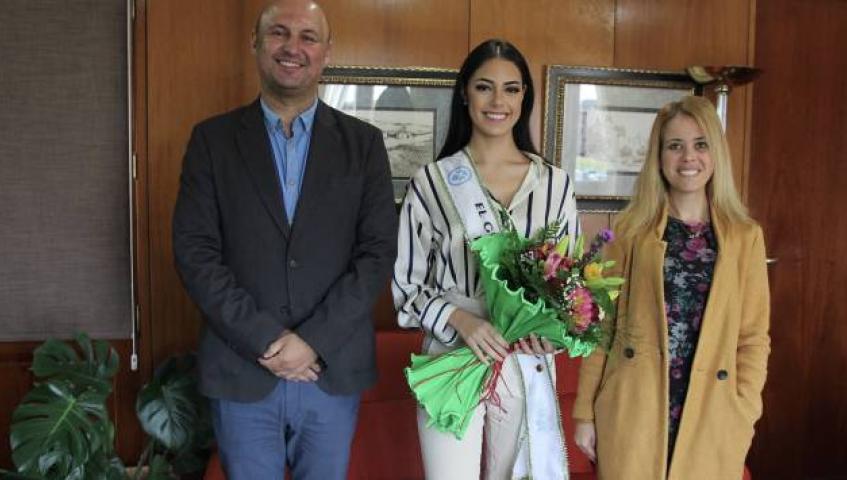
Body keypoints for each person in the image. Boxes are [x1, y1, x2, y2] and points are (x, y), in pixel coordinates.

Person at [172, 0, 397, 478]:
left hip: (331, 369)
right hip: (243, 367)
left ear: (327, 51)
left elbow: (376, 255)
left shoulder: (364, 145)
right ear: (255, 43)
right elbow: (196, 254)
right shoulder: (212, 141)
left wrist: (311, 341)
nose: (293, 47)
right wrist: (268, 341)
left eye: (308, 37)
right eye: (278, 33)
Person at [392, 39, 580, 480]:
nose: (498, 102)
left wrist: (551, 333)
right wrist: (461, 319)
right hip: (452, 353)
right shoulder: (433, 182)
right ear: (464, 94)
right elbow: (407, 287)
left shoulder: (554, 184)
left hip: (524, 356)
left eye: (512, 89)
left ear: (524, 98)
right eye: (485, 87)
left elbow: (568, 282)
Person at [572, 95, 770, 479]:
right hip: (634, 409)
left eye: (700, 145)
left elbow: (753, 337)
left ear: (716, 154)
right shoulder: (630, 232)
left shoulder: (745, 237)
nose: (688, 158)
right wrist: (584, 412)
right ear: (659, 156)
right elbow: (601, 328)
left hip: (713, 411)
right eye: (675, 146)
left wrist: (744, 410)